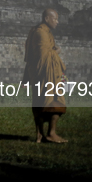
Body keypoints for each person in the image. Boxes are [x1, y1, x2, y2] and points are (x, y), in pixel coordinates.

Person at [23, 8, 67, 143]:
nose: (57, 22)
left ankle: (40, 135)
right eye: (55, 19)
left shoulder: (41, 31)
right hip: (45, 74)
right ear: (47, 19)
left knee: (40, 102)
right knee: (54, 102)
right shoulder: (41, 33)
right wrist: (57, 51)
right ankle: (50, 133)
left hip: (41, 73)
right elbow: (44, 57)